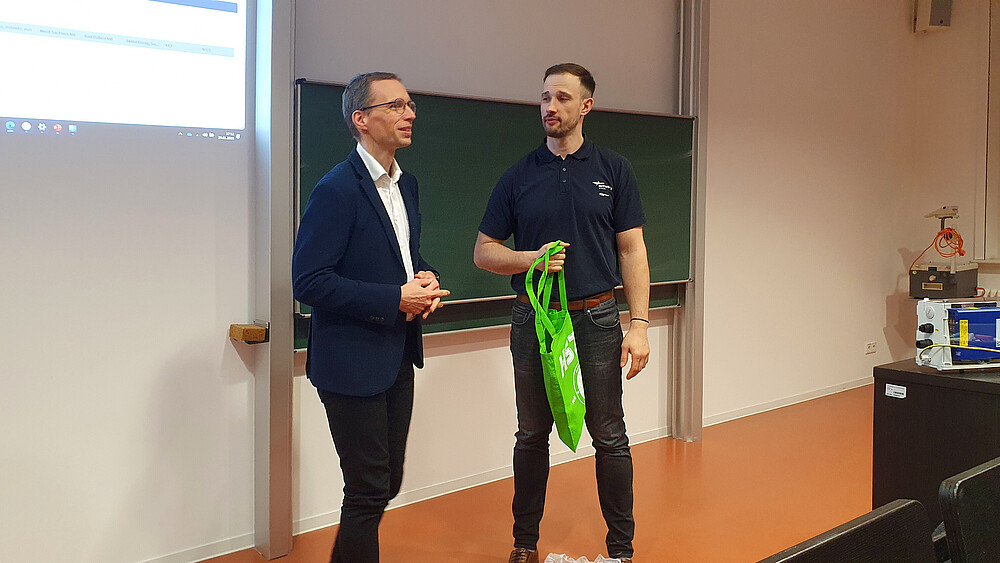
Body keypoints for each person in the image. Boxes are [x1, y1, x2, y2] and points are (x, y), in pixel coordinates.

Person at [474, 63, 650, 563]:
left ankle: (621, 552)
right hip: (534, 320)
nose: (550, 108)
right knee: (532, 433)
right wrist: (531, 258)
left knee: (608, 434)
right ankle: (524, 545)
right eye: (545, 98)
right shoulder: (518, 176)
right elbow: (483, 252)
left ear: (585, 106)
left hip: (596, 319)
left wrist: (638, 326)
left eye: (563, 99)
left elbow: (633, 251)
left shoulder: (614, 170)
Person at [292, 71, 450, 563]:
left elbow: (404, 258)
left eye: (410, 104)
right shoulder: (337, 190)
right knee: (366, 489)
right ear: (362, 119)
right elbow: (309, 281)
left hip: (397, 355)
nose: (410, 113)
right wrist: (393, 299)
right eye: (397, 105)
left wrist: (424, 281)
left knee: (386, 481)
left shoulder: (407, 186)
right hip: (350, 362)